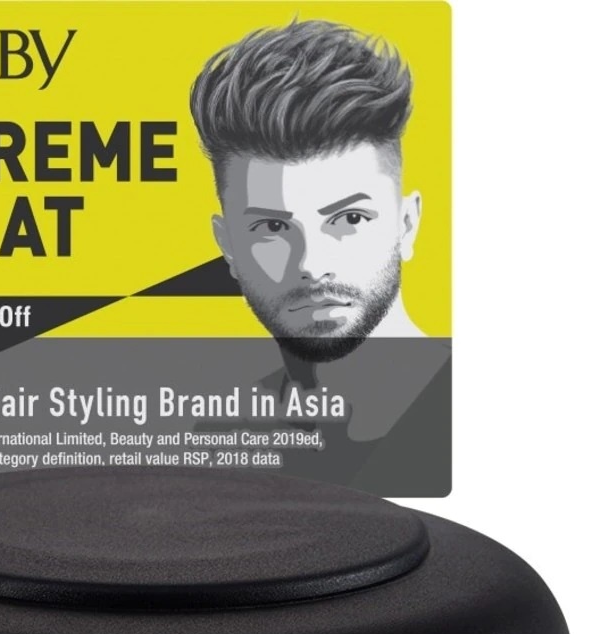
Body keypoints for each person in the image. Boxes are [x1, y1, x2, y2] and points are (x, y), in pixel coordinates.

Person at [188, 20, 449, 492]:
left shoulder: (492, 415)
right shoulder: (223, 441)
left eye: (349, 219)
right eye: (273, 228)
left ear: (407, 224)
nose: (310, 263)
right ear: (227, 246)